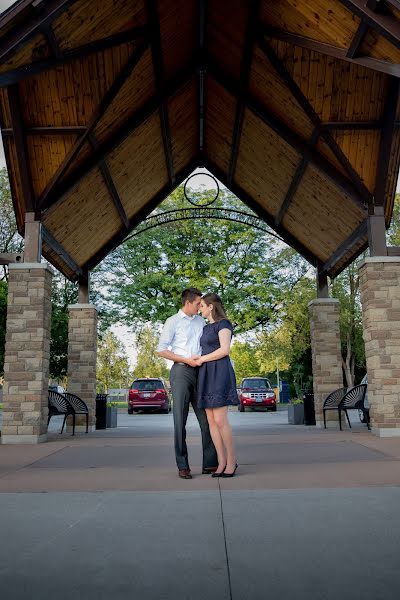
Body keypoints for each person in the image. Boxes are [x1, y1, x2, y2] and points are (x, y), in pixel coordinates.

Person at [157, 288, 218, 479]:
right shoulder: (172, 322)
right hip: (181, 372)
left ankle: (210, 463)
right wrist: (185, 360)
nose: (201, 305)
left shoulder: (202, 322)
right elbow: (161, 350)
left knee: (207, 420)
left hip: (201, 372)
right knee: (179, 420)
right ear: (188, 303)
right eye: (198, 303)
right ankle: (182, 465)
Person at [194, 293, 238, 478]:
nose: (200, 309)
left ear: (211, 306)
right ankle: (220, 462)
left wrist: (202, 358)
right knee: (211, 421)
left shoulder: (224, 324)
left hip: (219, 372)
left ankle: (231, 461)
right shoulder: (204, 328)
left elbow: (224, 350)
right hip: (205, 374)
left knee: (220, 420)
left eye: (202, 306)